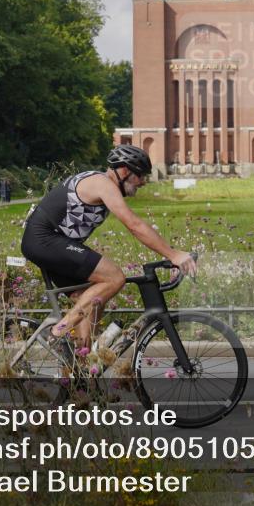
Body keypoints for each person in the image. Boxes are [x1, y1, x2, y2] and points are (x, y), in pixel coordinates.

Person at [21, 144, 196, 363]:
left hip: (50, 242)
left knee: (91, 299)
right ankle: (57, 333)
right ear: (124, 171)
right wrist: (173, 254)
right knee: (114, 277)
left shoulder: (103, 184)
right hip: (44, 240)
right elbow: (134, 225)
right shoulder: (102, 184)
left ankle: (81, 370)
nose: (143, 181)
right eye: (140, 175)